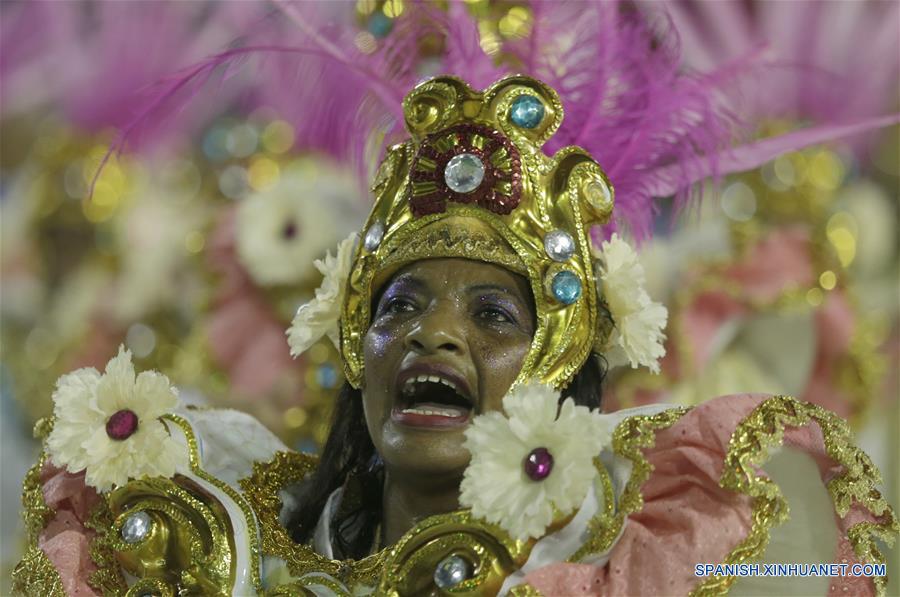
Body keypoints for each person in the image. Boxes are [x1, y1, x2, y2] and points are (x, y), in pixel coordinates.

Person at [14, 75, 897, 596]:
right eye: (397, 307)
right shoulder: (215, 541)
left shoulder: (662, 558)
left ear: (555, 362)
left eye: (491, 315)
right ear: (358, 352)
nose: (431, 334)